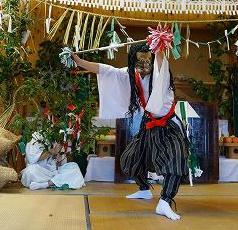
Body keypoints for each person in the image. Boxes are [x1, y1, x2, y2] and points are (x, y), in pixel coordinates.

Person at [71, 44, 189, 220]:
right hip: (148, 124)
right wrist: (78, 60)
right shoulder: (131, 73)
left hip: (168, 126)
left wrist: (159, 47)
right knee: (130, 158)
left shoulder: (160, 73)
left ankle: (165, 201)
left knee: (175, 161)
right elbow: (104, 70)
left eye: (147, 60)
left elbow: (161, 61)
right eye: (139, 61)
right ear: (134, 61)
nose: (143, 66)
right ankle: (144, 190)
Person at [21, 132, 85, 190]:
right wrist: (50, 152)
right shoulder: (36, 138)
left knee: (74, 166)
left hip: (54, 173)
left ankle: (45, 184)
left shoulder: (59, 138)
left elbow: (60, 164)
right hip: (41, 171)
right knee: (30, 171)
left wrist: (58, 157)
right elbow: (32, 159)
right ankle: (57, 181)